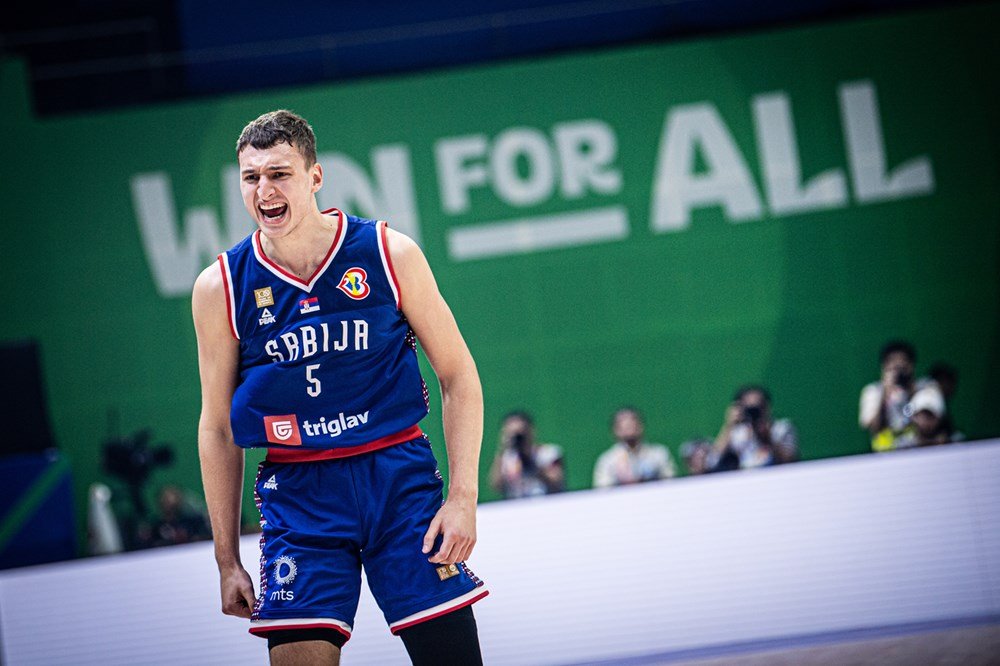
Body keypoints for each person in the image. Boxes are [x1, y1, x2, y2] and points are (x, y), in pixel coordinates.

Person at [192, 110, 487, 666]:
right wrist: (226, 559)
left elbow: (458, 375)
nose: (264, 190)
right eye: (251, 177)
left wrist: (463, 497)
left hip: (397, 478)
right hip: (299, 494)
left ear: (315, 176)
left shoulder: (388, 253)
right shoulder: (220, 287)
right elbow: (217, 427)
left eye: (279, 174)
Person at [859, 340, 941, 452]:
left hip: (921, 451)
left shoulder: (927, 387)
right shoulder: (873, 392)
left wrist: (911, 390)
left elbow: (931, 424)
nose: (899, 371)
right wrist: (885, 393)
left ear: (912, 365)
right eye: (893, 366)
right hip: (885, 454)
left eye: (903, 363)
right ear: (884, 368)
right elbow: (873, 427)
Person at [709, 385, 799, 471]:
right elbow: (712, 460)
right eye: (749, 407)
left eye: (759, 406)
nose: (754, 412)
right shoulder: (739, 432)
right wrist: (729, 425)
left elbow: (789, 460)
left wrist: (768, 439)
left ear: (768, 407)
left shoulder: (782, 428)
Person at [488, 410, 565, 499]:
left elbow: (556, 480)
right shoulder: (507, 458)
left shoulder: (548, 453)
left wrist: (528, 459)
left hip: (545, 502)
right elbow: (496, 485)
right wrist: (502, 449)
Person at [593, 407, 676, 487]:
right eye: (623, 423)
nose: (628, 425)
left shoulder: (659, 454)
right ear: (615, 430)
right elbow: (603, 490)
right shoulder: (607, 460)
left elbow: (671, 483)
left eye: (632, 420)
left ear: (641, 426)